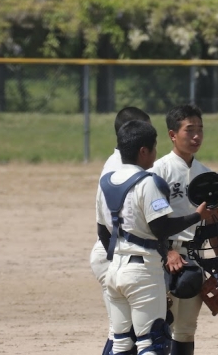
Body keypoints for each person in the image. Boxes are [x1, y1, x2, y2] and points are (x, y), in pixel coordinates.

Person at [97, 119, 218, 355]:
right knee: (151, 342)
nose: (156, 153)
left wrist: (117, 258)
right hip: (142, 271)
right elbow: (161, 227)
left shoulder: (106, 182)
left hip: (115, 270)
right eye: (154, 147)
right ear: (144, 151)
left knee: (121, 342)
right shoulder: (148, 182)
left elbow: (103, 231)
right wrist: (197, 216)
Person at [148, 104, 218, 355]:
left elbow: (213, 223)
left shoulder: (206, 174)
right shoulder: (158, 171)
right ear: (173, 135)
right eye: (189, 130)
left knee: (186, 330)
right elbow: (149, 222)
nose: (196, 136)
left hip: (195, 259)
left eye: (200, 129)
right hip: (163, 258)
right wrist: (167, 252)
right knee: (159, 327)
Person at [90, 106, 151, 355]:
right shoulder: (122, 168)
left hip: (114, 251)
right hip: (116, 253)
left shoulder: (121, 162)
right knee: (124, 335)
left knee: (126, 334)